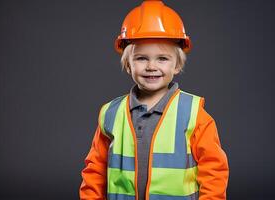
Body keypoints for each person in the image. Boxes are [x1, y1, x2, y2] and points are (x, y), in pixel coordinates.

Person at [79, 0, 229, 199]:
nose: (151, 66)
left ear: (176, 66)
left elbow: (214, 170)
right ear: (128, 65)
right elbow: (95, 170)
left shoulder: (193, 113)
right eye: (141, 58)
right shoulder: (111, 113)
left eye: (162, 58)